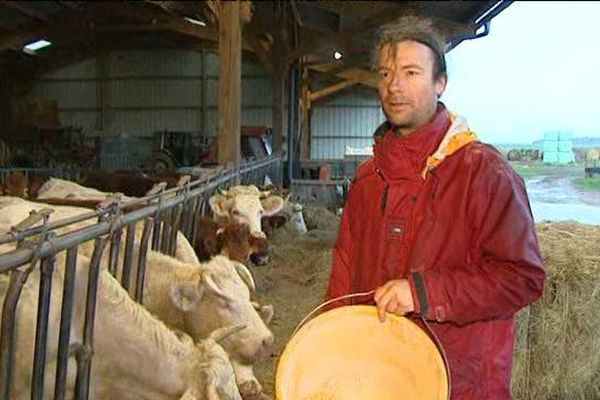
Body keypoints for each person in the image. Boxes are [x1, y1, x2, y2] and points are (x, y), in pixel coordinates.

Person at [326, 16, 546, 399]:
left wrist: (424, 294)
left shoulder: (483, 173)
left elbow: (522, 277)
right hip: (379, 375)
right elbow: (344, 271)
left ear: (440, 83)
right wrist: (332, 342)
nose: (394, 86)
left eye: (411, 72)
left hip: (458, 381)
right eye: (386, 73)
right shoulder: (367, 179)